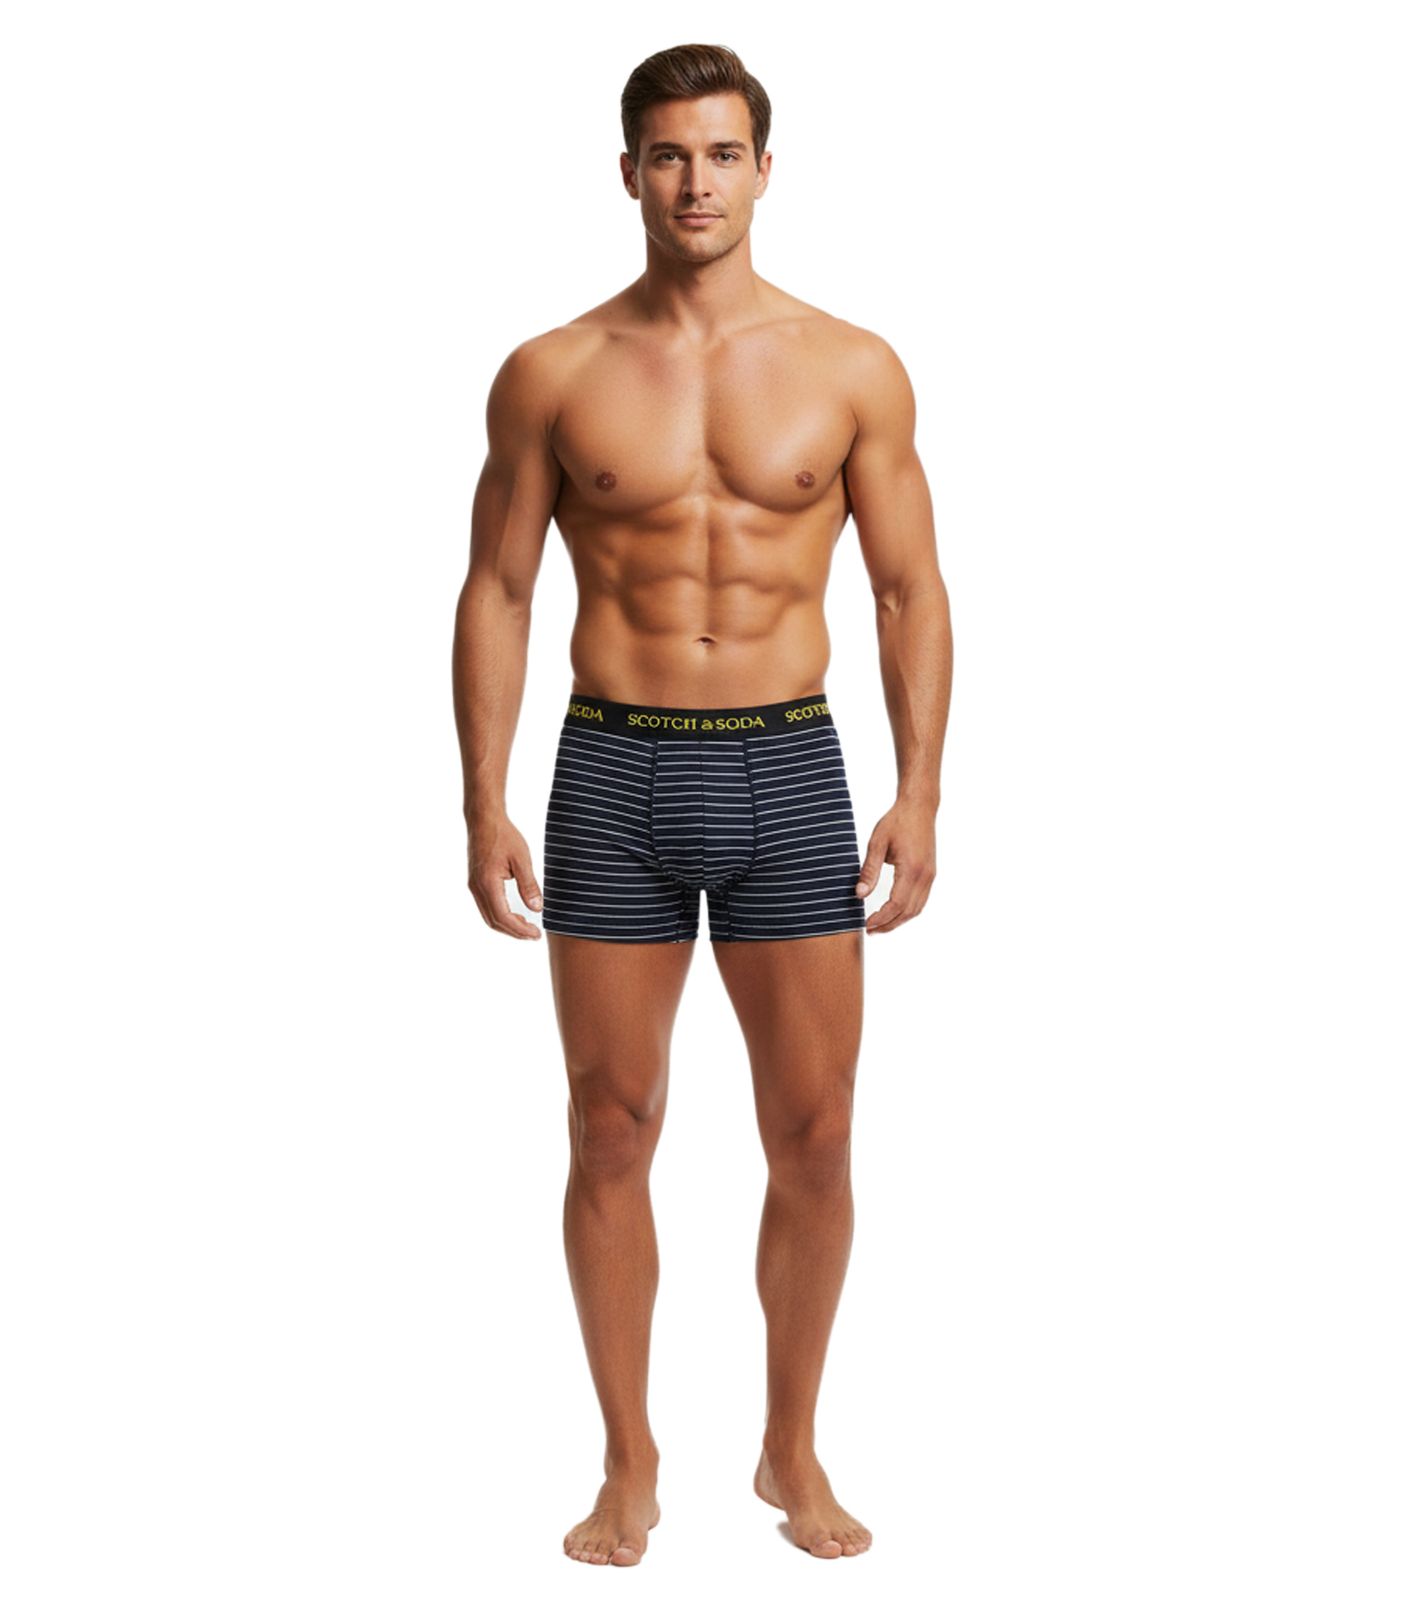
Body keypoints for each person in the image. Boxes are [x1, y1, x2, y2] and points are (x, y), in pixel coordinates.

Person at [452, 42, 952, 1567]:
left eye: (721, 153)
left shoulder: (850, 366)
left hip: (789, 766)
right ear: (628, 172)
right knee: (609, 1129)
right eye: (667, 154)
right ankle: (628, 1462)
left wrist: (919, 790)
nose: (694, 182)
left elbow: (907, 589)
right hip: (610, 768)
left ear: (763, 169)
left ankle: (790, 1448)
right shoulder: (553, 371)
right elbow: (496, 590)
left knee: (816, 1132)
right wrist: (482, 800)